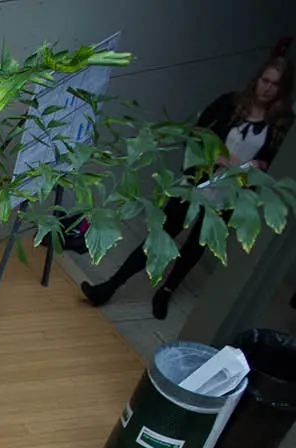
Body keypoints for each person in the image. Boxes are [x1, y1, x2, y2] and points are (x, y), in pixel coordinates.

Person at [83, 58, 290, 320]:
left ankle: (167, 291)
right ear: (257, 79)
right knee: (161, 238)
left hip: (230, 196)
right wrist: (211, 155)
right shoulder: (230, 103)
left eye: (275, 85)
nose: (268, 88)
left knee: (195, 247)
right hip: (198, 184)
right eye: (265, 81)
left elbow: (276, 164)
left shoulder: (281, 124)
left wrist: (259, 165)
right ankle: (111, 286)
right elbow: (196, 135)